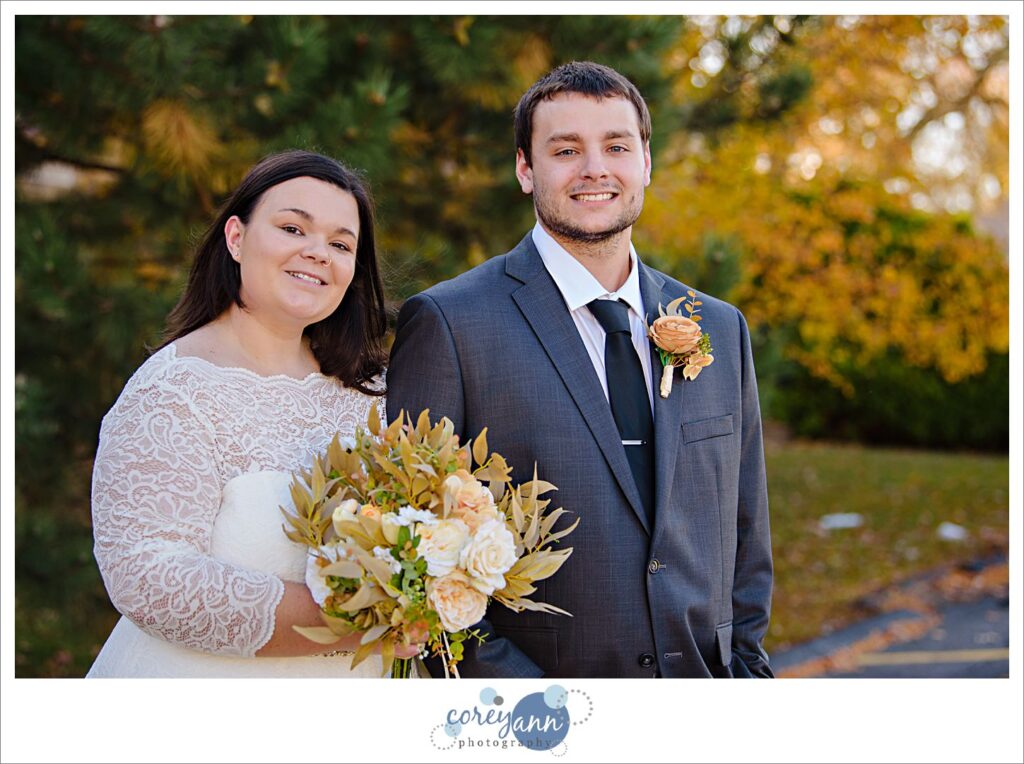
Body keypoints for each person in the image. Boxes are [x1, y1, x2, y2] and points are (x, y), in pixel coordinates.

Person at [387, 62, 774, 678]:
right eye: (566, 150)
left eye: (616, 146)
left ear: (646, 160)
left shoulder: (719, 328)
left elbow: (746, 533)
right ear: (524, 168)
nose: (595, 168)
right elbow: (417, 556)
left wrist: (748, 673)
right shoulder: (450, 325)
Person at [87, 150, 410, 677]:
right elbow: (149, 580)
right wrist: (362, 620)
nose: (317, 253)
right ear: (235, 238)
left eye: (340, 244)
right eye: (291, 228)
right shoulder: (172, 392)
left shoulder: (373, 393)